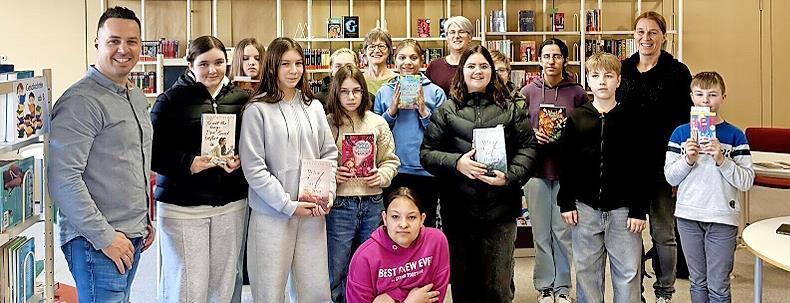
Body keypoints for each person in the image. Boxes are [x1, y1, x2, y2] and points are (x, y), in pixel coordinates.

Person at [48, 6, 155, 303]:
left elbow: (133, 162)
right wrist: (105, 237)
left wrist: (144, 219)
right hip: (96, 240)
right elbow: (63, 179)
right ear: (97, 44)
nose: (124, 49)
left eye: (132, 41)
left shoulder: (134, 94)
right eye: (114, 41)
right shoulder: (81, 101)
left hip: (130, 231)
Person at [420, 45, 537, 302]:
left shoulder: (509, 108)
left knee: (498, 287)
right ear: (461, 72)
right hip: (459, 211)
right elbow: (427, 154)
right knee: (464, 286)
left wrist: (510, 176)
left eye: (483, 66)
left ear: (492, 72)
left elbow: (528, 147)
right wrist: (457, 162)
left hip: (500, 211)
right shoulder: (447, 110)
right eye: (471, 66)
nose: (477, 71)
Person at [150, 35, 249, 302]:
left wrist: (240, 161)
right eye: (204, 64)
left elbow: (252, 147)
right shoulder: (168, 101)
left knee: (223, 283)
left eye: (219, 63)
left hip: (230, 204)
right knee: (187, 285)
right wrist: (188, 164)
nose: (213, 70)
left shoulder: (242, 100)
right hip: (183, 207)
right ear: (190, 64)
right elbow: (151, 154)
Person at [239, 37, 338, 302]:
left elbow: (329, 153)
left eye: (298, 64)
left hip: (312, 212)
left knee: (314, 288)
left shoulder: (314, 106)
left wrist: (327, 194)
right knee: (270, 289)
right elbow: (254, 167)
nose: (293, 70)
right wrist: (287, 204)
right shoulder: (257, 109)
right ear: (272, 66)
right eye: (285, 64)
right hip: (272, 214)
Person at [616, 12, 693, 302]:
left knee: (663, 233)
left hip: (664, 166)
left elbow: (688, 119)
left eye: (652, 32)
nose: (646, 38)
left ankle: (664, 292)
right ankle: (635, 292)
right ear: (633, 35)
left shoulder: (677, 72)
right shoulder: (622, 68)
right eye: (640, 32)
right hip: (627, 164)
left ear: (664, 35)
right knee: (629, 234)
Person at [559, 52, 647, 303]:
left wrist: (639, 208)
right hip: (584, 209)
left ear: (618, 81)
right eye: (596, 76)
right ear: (588, 80)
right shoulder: (577, 117)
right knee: (587, 272)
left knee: (628, 273)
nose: (602, 81)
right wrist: (566, 202)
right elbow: (567, 163)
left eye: (608, 76)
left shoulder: (632, 118)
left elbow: (642, 165)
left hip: (624, 211)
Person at [664, 72, 754, 303]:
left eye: (712, 95)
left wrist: (722, 159)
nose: (706, 100)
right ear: (692, 97)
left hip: (722, 216)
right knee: (697, 282)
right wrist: (688, 160)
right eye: (700, 94)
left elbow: (746, 180)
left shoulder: (735, 135)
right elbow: (670, 178)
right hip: (688, 215)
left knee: (719, 285)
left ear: (723, 97)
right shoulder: (681, 133)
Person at [518, 38, 587, 303]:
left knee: (563, 232)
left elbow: (585, 129)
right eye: (546, 56)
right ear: (539, 60)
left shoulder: (577, 93)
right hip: (536, 171)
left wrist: (567, 135)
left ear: (565, 60)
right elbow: (518, 129)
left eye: (556, 56)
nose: (551, 61)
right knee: (541, 232)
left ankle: (562, 288)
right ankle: (545, 287)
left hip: (566, 172)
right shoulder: (527, 92)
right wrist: (532, 135)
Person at [325, 65, 401, 302]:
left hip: (372, 203)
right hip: (340, 205)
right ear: (335, 93)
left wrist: (383, 175)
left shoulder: (377, 122)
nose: (351, 97)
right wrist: (331, 173)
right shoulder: (326, 124)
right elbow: (316, 162)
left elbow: (391, 160)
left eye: (356, 91)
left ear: (364, 92)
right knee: (336, 267)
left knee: (370, 265)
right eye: (344, 91)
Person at [374, 39, 446, 228]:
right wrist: (391, 111)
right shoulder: (384, 92)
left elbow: (442, 134)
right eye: (402, 57)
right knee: (396, 226)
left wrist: (423, 111)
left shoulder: (435, 92)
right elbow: (375, 133)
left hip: (426, 170)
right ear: (394, 62)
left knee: (424, 225)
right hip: (395, 169)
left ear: (422, 61)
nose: (408, 62)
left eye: (413, 57)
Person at [346, 187, 451, 303]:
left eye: (411, 217)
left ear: (422, 219)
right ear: (385, 219)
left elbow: (435, 297)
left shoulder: (436, 241)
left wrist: (391, 297)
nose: (403, 224)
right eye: (395, 217)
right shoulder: (364, 257)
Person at [227, 37, 265, 303]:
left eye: (257, 58)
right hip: (235, 178)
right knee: (236, 244)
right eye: (246, 58)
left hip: (264, 175)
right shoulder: (228, 93)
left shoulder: (270, 92)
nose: (252, 64)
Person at [425, 16, 474, 96]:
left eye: (461, 32)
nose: (457, 36)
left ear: (470, 37)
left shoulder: (476, 64)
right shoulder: (434, 66)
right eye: (452, 32)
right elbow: (428, 96)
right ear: (447, 37)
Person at [363, 28, 397, 96]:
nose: (376, 51)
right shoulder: (359, 79)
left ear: (389, 50)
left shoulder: (396, 80)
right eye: (372, 46)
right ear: (365, 51)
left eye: (381, 46)